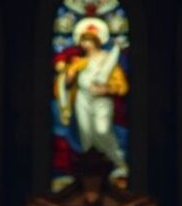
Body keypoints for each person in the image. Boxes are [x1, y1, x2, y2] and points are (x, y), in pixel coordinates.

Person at [55, 18, 129, 180]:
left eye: (88, 40)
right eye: (83, 40)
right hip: (82, 99)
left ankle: (118, 162)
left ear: (96, 41)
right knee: (86, 133)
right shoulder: (79, 62)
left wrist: (106, 89)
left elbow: (122, 86)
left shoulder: (108, 59)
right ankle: (91, 172)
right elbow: (65, 83)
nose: (85, 44)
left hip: (102, 102)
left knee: (102, 130)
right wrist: (68, 75)